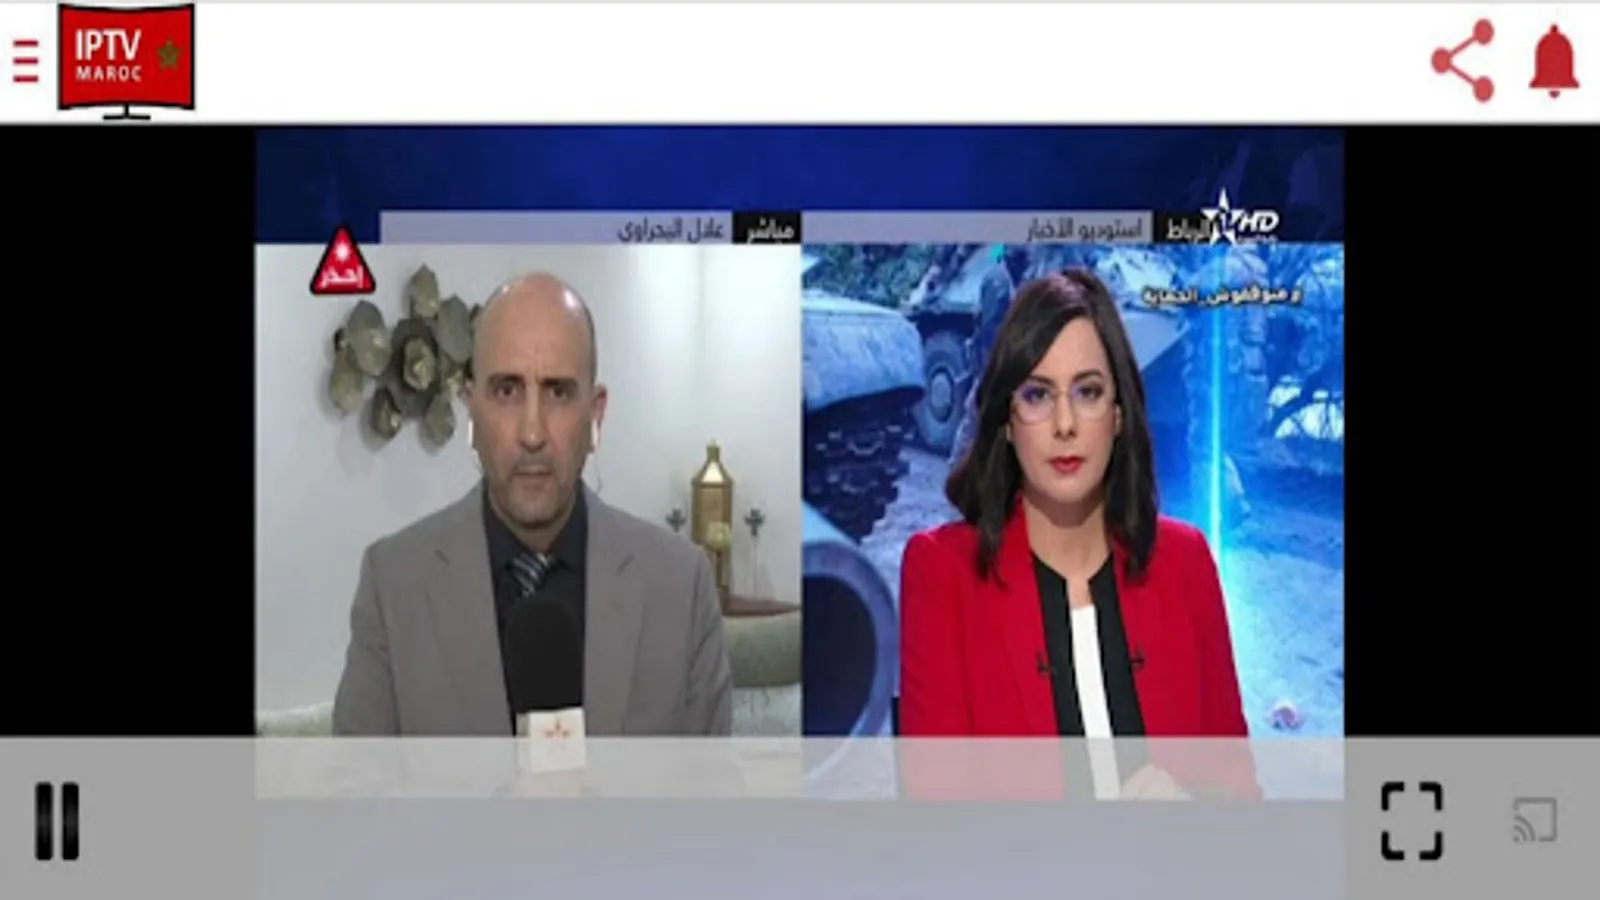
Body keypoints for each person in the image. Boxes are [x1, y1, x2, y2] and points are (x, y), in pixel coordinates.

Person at [898, 269, 1257, 799]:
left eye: (1088, 392)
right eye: (1038, 395)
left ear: (1118, 414)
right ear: (1007, 421)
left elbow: (1239, 793)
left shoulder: (1185, 562)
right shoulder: (942, 573)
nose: (1065, 423)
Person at [332, 273, 733, 736]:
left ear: (595, 414)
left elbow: (710, 780)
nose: (532, 433)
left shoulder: (681, 587)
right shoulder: (393, 584)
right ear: (472, 407)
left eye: (558, 392)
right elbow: (356, 780)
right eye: (507, 391)